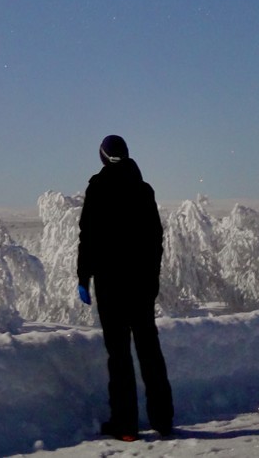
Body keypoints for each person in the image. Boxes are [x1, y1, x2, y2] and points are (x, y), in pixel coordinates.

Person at [77, 134, 174, 441]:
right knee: (149, 351)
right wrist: (152, 279)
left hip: (111, 286)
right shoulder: (143, 190)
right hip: (141, 286)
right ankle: (163, 420)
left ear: (103, 156)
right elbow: (155, 240)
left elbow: (88, 237)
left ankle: (126, 426)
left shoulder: (98, 188)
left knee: (118, 356)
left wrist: (83, 278)